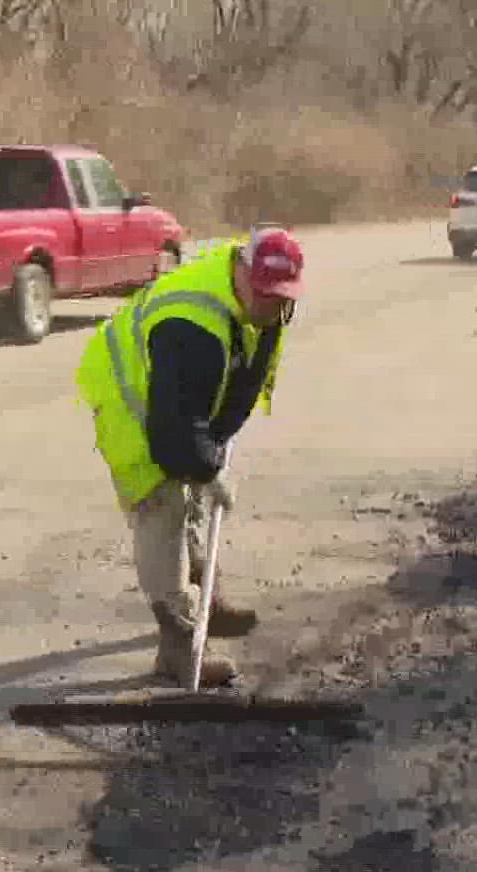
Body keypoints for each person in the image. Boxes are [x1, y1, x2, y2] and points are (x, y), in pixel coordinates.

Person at [74, 227, 304, 687]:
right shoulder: (191, 326)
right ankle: (178, 645)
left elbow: (246, 377)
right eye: (262, 294)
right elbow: (173, 439)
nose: (269, 306)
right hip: (133, 405)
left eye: (280, 297)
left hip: (181, 405)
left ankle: (207, 605)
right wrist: (205, 464)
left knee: (197, 497)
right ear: (242, 271)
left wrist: (214, 447)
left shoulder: (269, 305)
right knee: (167, 510)